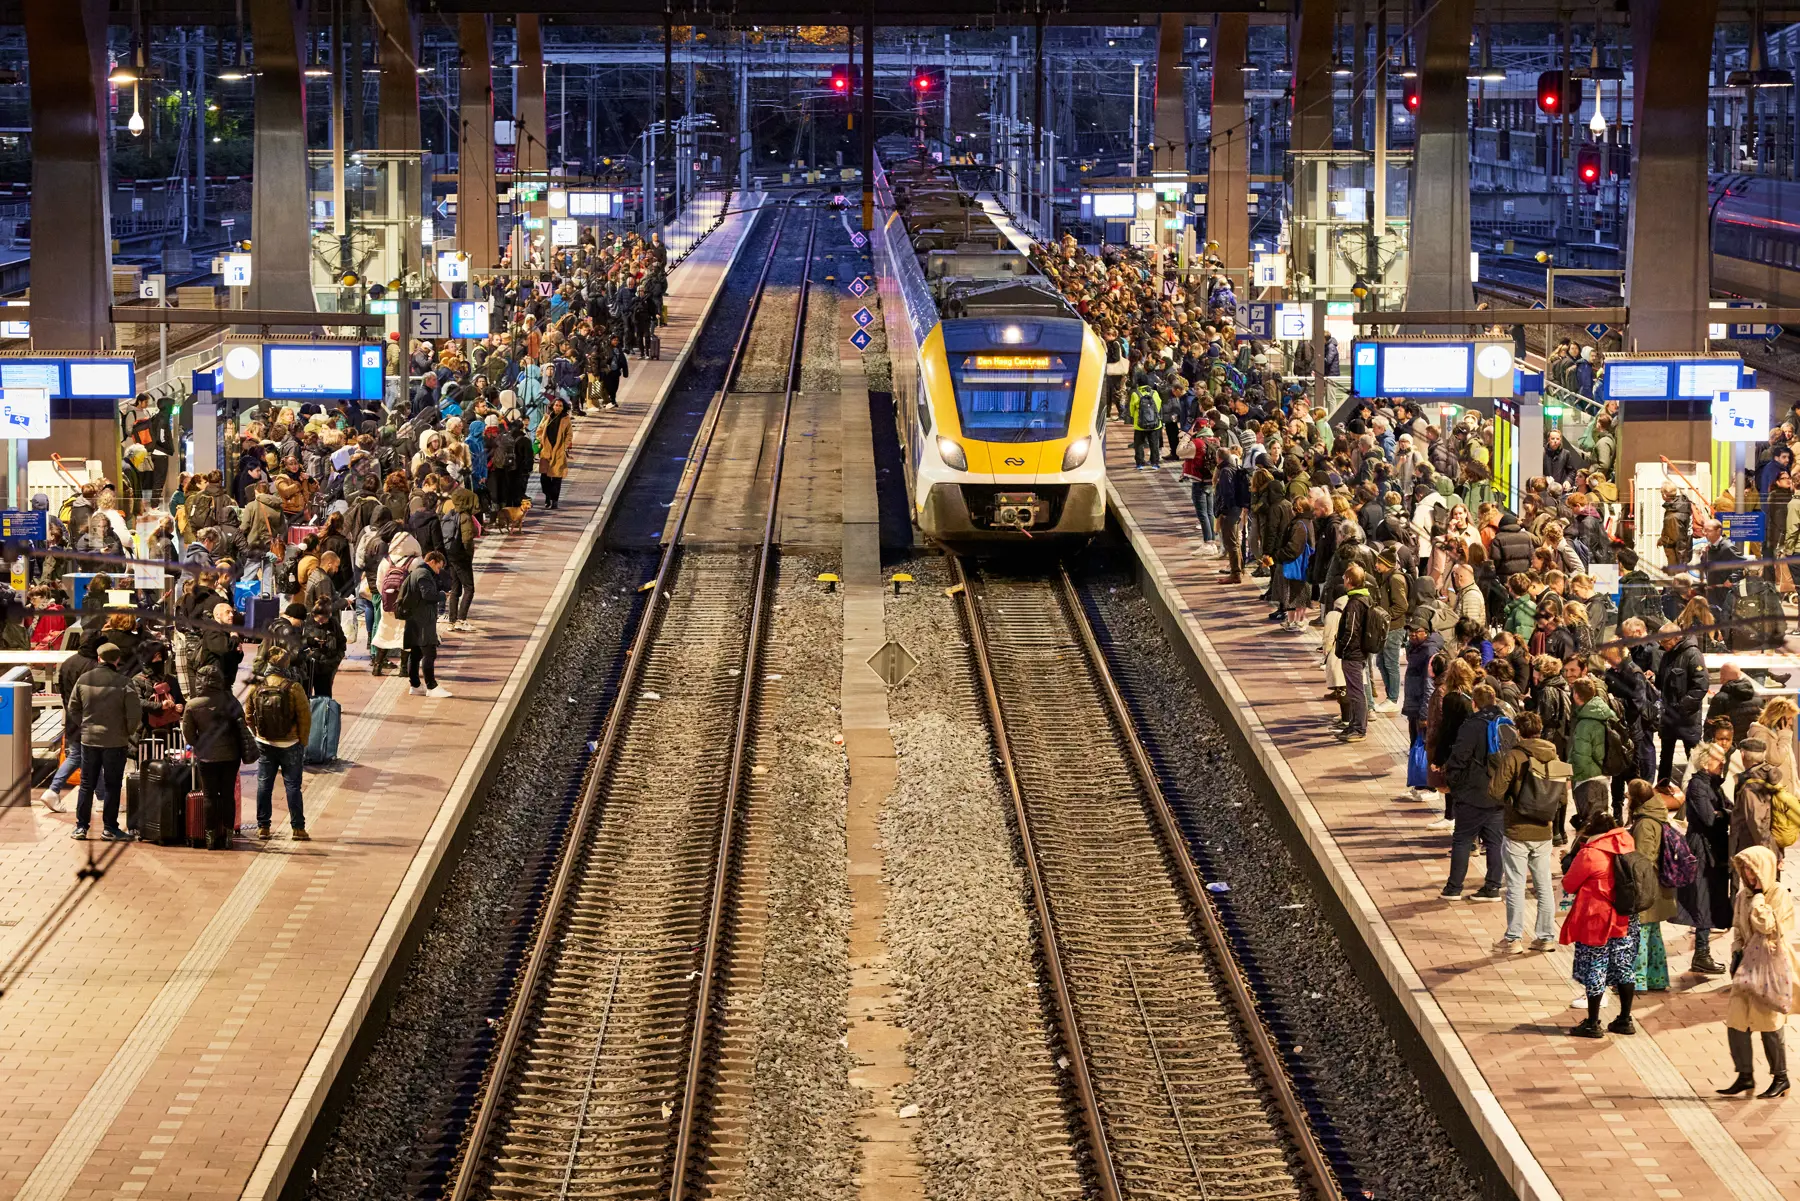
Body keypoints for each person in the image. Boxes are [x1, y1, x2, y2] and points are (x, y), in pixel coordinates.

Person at [1717, 846, 1797, 1098]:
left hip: (1770, 966)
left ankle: (1780, 1077)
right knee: (1736, 1021)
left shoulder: (1778, 894)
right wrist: (1736, 950)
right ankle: (1745, 1076)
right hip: (1746, 966)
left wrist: (1760, 898)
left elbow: (1767, 927)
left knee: (1769, 1023)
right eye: (1745, 869)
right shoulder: (1743, 895)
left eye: (1752, 869)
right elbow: (1738, 927)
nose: (1748, 874)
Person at [1561, 808, 1640, 1038]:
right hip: (1626, 916)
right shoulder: (1627, 843)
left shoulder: (1591, 853)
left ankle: (1593, 1023)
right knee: (1625, 968)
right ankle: (1625, 1019)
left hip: (1597, 918)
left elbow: (1568, 884)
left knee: (1596, 966)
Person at [1492, 710, 1562, 952]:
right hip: (1544, 830)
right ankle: (1546, 936)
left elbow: (1496, 791)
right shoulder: (1554, 755)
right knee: (1543, 885)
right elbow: (1562, 796)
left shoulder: (1514, 756)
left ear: (1519, 731)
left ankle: (1513, 938)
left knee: (1515, 884)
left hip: (1517, 830)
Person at [65, 642, 142, 841]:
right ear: (117, 660)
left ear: (99, 658)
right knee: (112, 785)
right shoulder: (125, 682)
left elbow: (73, 708)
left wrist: (84, 725)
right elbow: (134, 713)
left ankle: (81, 827)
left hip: (89, 740)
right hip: (116, 742)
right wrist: (126, 732)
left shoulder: (84, 680)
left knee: (86, 784)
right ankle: (109, 828)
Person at [1441, 683, 1510, 902]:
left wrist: (1454, 783)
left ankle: (1454, 888)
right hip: (1499, 791)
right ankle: (1492, 888)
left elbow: (1460, 756)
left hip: (1473, 792)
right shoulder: (1506, 722)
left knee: (1462, 839)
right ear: (1494, 700)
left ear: (1474, 703)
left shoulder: (1472, 725)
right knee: (1495, 841)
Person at [181, 663, 253, 849]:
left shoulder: (193, 705)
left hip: (206, 757)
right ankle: (228, 836)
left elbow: (189, 734)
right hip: (230, 755)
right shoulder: (230, 700)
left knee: (209, 796)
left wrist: (200, 744)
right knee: (228, 795)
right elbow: (242, 723)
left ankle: (210, 838)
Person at [1678, 744, 1733, 976]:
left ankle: (1703, 953)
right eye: (1718, 760)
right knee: (1702, 899)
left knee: (1711, 898)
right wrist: (1722, 814)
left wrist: (1723, 813)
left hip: (1715, 848)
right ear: (1704, 762)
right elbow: (1709, 818)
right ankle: (1701, 954)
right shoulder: (1697, 784)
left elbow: (1727, 809)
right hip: (1700, 849)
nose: (1722, 764)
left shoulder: (1714, 784)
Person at [246, 666, 311, 841]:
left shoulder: (256, 686)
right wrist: (302, 741)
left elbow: (248, 715)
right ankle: (298, 828)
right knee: (293, 786)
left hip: (265, 743)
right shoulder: (293, 687)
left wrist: (258, 733)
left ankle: (263, 827)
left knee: (264, 785)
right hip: (291, 743)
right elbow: (305, 717)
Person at [1626, 778, 1677, 992]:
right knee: (1653, 934)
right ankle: (1657, 978)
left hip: (1647, 887)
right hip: (1657, 887)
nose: (1627, 799)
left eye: (1629, 795)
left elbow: (1643, 859)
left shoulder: (1645, 823)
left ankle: (1637, 981)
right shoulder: (1654, 815)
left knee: (1641, 934)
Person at [1655, 621, 1708, 781]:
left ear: (1676, 637)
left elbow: (1701, 685)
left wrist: (1681, 707)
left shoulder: (1692, 654)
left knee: (1693, 757)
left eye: (1665, 641)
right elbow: (1662, 682)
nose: (1663, 645)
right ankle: (1662, 786)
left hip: (1687, 718)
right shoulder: (1667, 655)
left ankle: (1698, 788)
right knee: (1665, 756)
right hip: (1669, 716)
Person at [401, 550, 451, 698]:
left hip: (415, 619)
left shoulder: (416, 572)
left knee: (416, 653)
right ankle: (431, 686)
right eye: (438, 567)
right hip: (423, 620)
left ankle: (415, 685)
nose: (438, 571)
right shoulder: (423, 574)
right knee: (430, 652)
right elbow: (427, 595)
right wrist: (442, 595)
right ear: (432, 561)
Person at [1568, 676, 1614, 827]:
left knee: (1590, 825)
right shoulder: (1605, 712)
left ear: (1576, 695)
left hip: (1587, 779)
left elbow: (1581, 757)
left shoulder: (1585, 723)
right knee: (1602, 820)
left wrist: (1572, 776)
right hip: (1604, 775)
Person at [1334, 563, 1373, 742]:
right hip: (1359, 652)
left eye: (1344, 577)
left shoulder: (1355, 603)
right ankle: (1354, 725)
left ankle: (1358, 728)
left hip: (1353, 654)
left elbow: (1351, 631)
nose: (1343, 580)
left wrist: (1342, 647)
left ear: (1349, 580)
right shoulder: (1364, 599)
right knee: (1355, 690)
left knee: (1356, 691)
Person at [303, 600, 347, 698]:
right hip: (309, 666)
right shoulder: (305, 622)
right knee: (305, 697)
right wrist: (311, 641)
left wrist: (336, 660)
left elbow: (342, 642)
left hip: (327, 666)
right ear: (313, 614)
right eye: (319, 619)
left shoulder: (334, 623)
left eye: (324, 619)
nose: (321, 622)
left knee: (324, 698)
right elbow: (297, 641)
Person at [538, 396, 574, 510]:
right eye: (556, 405)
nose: (557, 407)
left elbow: (569, 435)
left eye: (560, 406)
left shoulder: (566, 419)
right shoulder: (547, 417)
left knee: (557, 478)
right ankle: (547, 497)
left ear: (563, 408)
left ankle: (554, 501)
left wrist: (563, 446)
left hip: (558, 451)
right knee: (544, 478)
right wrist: (542, 441)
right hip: (546, 451)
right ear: (552, 406)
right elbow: (539, 431)